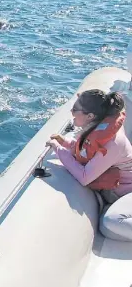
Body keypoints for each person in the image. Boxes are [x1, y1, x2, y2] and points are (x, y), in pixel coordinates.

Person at [46, 89, 132, 241]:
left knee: (110, 223)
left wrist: (58, 150)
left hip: (128, 193)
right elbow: (86, 153)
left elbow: (84, 177)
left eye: (75, 110)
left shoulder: (113, 143)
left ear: (90, 116)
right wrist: (65, 143)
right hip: (121, 192)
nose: (71, 112)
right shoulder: (95, 129)